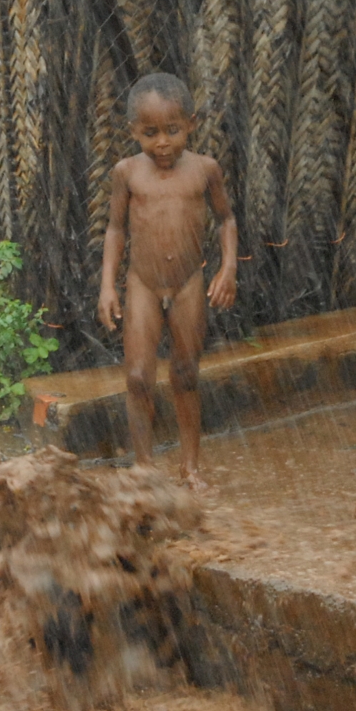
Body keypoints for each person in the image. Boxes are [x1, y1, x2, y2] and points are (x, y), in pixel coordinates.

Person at [96, 72, 240, 488]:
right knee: (138, 377)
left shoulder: (205, 170)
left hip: (188, 284)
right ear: (133, 132)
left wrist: (228, 267)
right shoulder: (127, 173)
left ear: (191, 124)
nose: (162, 143)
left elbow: (225, 219)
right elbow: (115, 230)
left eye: (173, 131)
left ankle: (190, 467)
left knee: (185, 372)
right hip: (142, 282)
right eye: (150, 133)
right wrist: (108, 285)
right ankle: (144, 465)